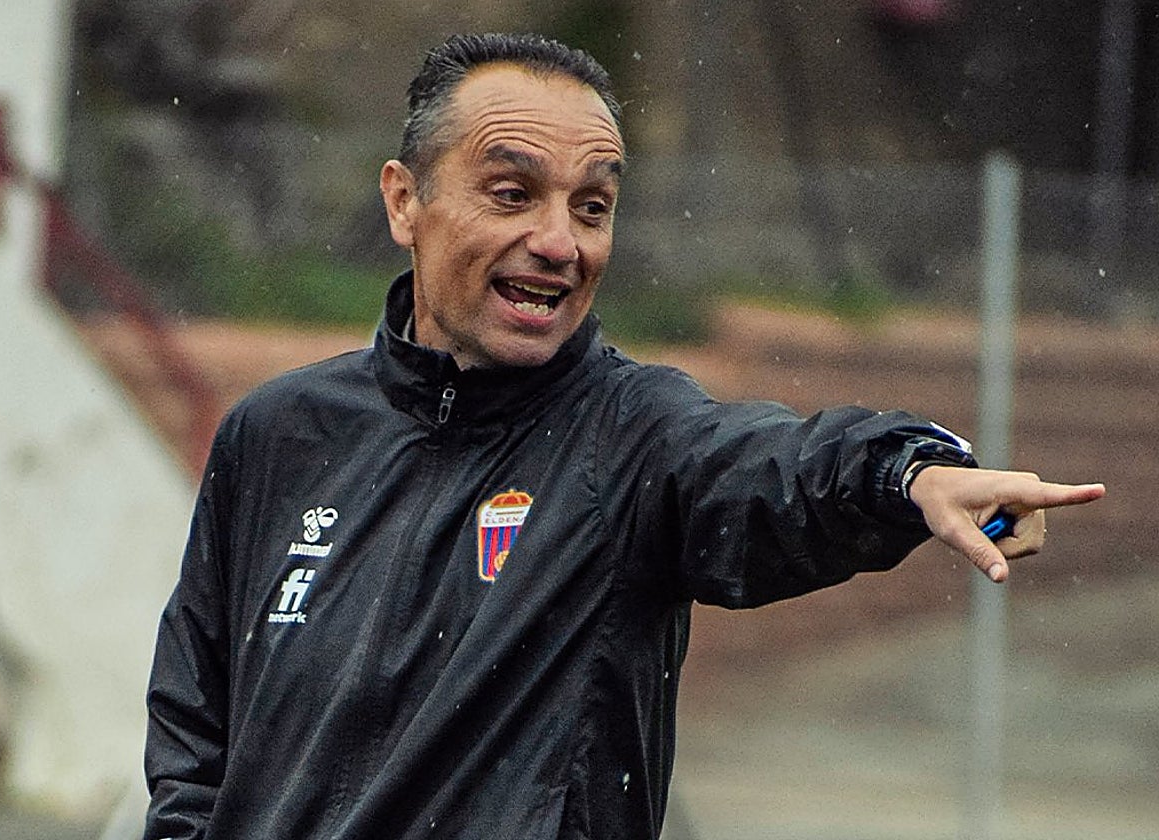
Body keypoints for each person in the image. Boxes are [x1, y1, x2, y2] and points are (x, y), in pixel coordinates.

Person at [143, 32, 1105, 840]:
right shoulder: (278, 434)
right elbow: (194, 719)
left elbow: (767, 465)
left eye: (592, 206)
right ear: (405, 201)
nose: (561, 242)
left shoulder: (633, 439)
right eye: (514, 193)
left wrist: (904, 473)